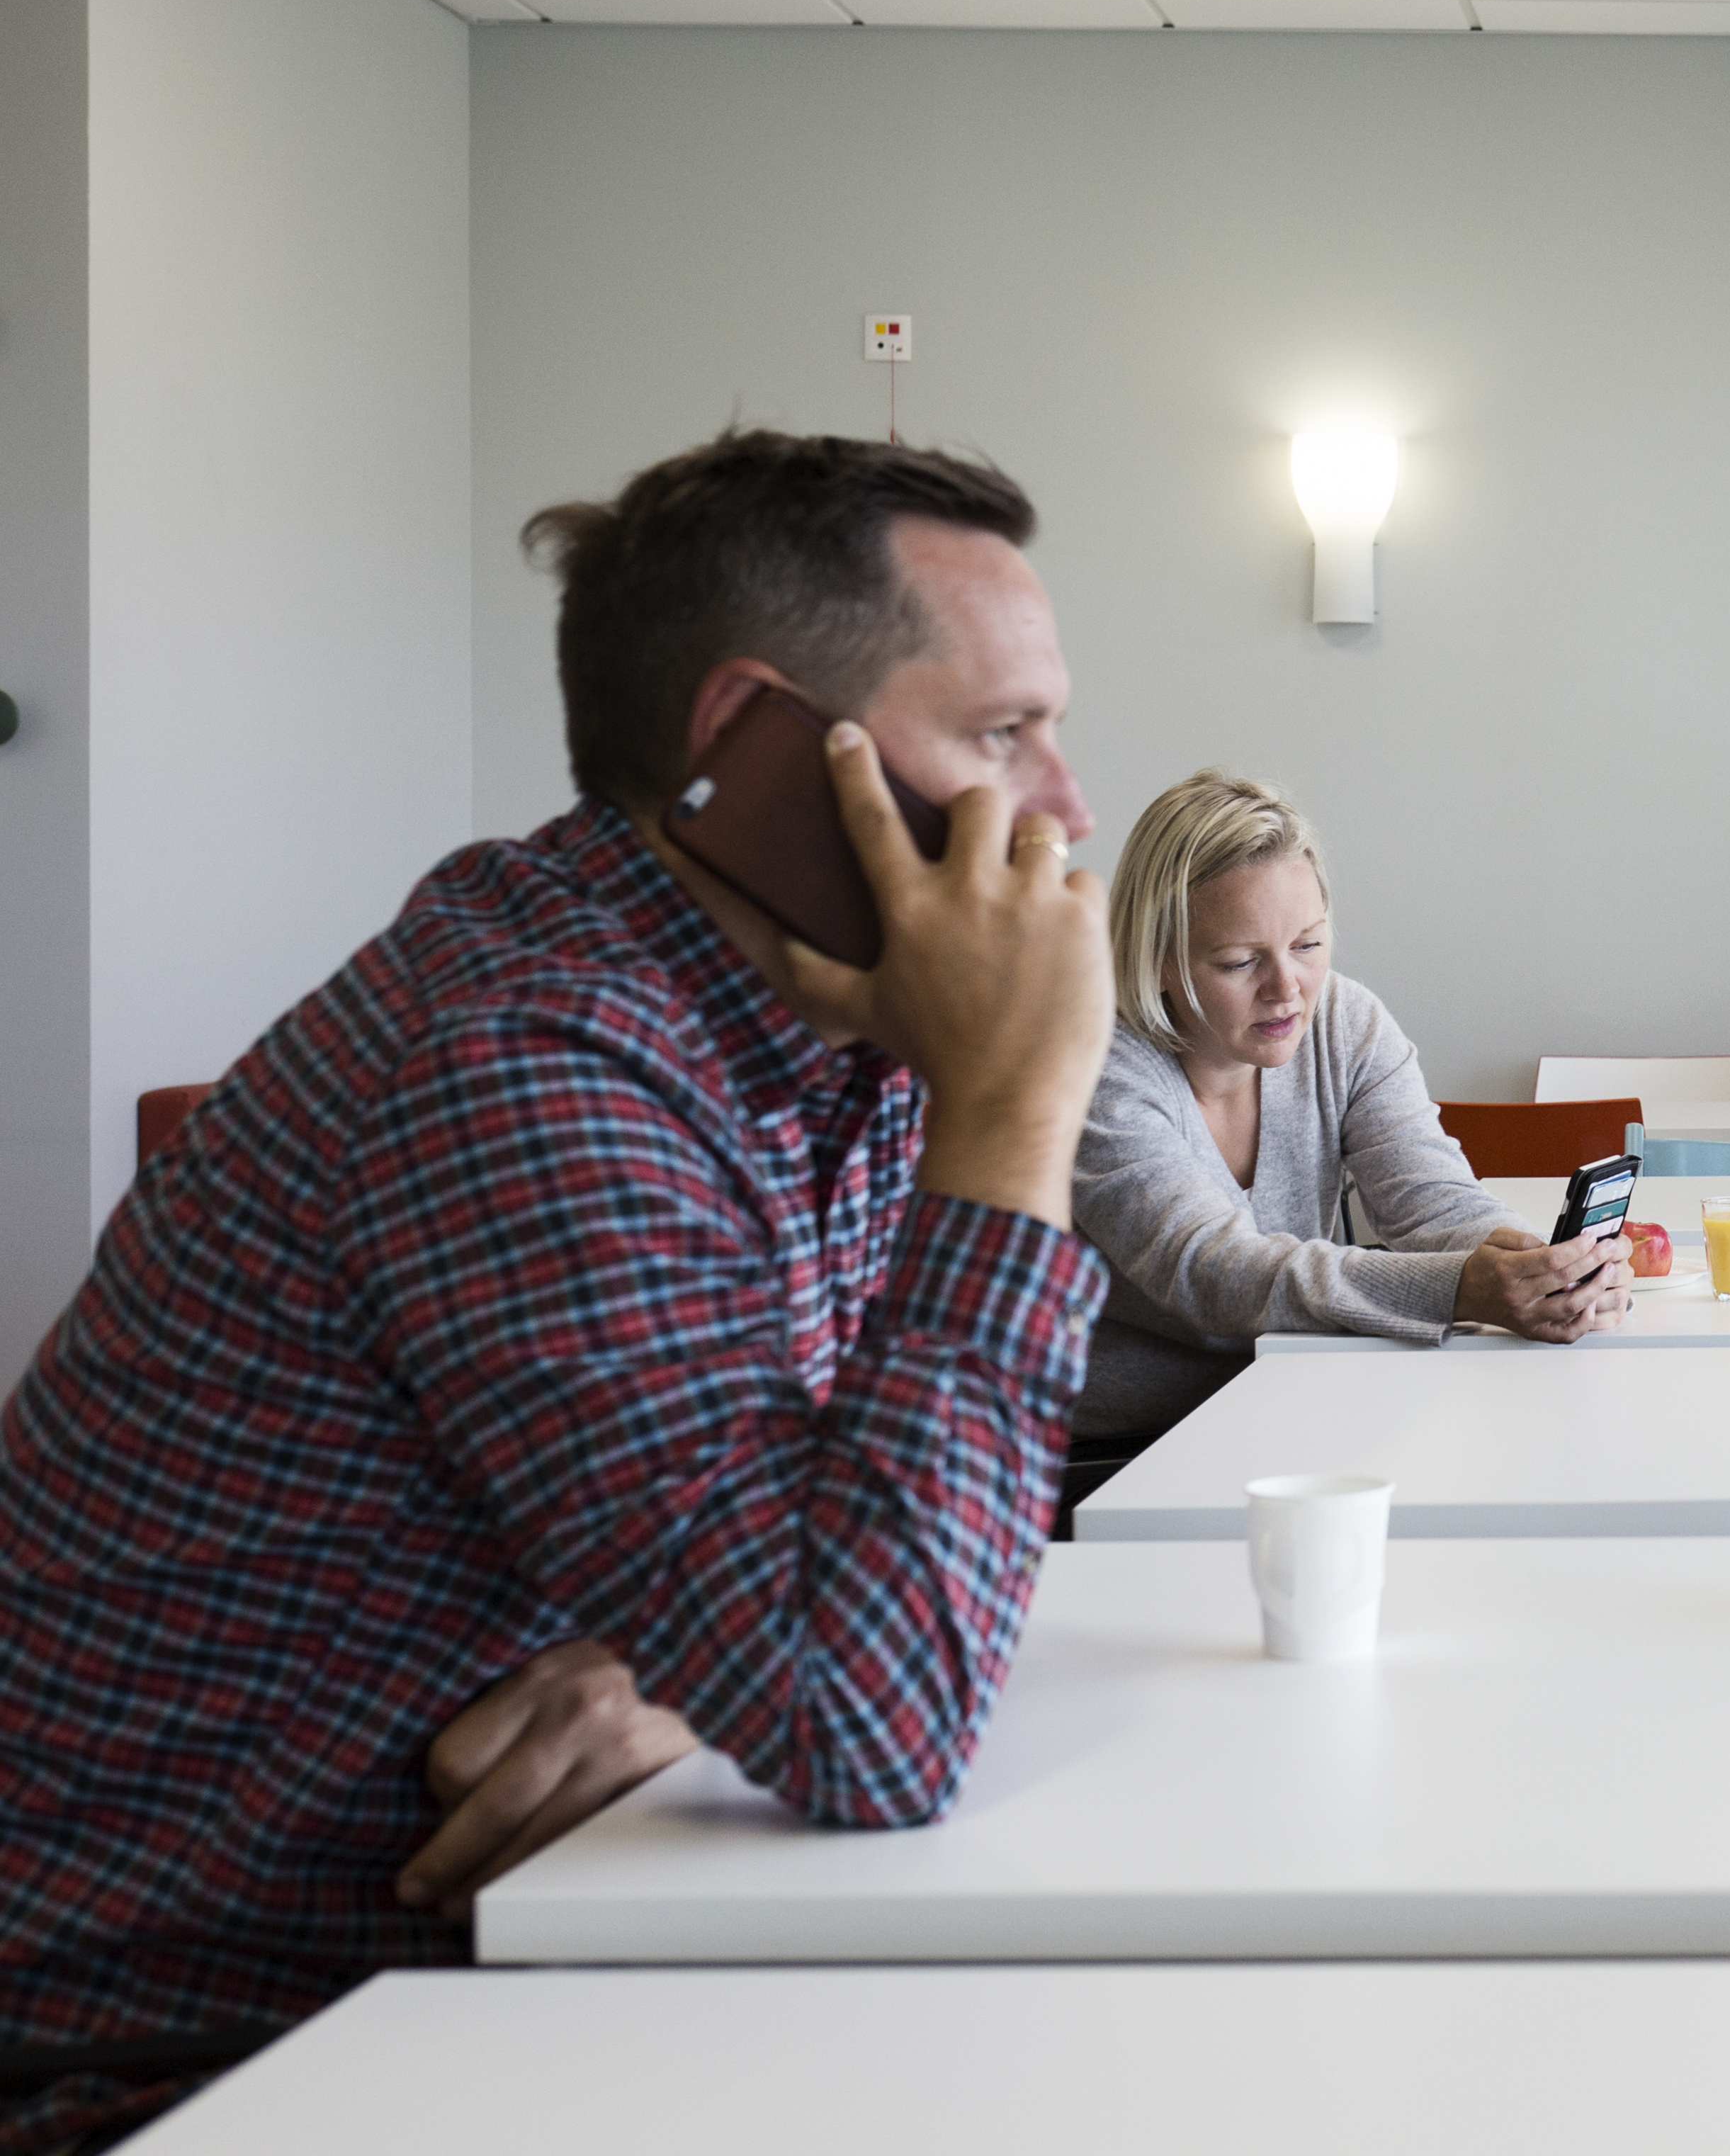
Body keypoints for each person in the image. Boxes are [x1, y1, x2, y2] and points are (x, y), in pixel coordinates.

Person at [0, 433, 1116, 2154]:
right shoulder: (528, 1055)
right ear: (748, 738)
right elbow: (874, 1716)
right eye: (997, 733)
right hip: (199, 2060)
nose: (1064, 808)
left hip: (509, 1964)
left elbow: (878, 1580)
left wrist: (694, 1672)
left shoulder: (827, 1037)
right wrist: (1016, 1110)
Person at [1066, 769, 1628, 1469]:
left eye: (1307, 945)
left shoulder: (1344, 1022)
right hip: (1126, 1454)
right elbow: (1212, 1272)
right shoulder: (1097, 1068)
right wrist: (1462, 1288)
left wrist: (1538, 1268)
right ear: (1159, 963)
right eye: (1240, 961)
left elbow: (1433, 1201)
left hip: (1298, 1407)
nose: (1287, 989)